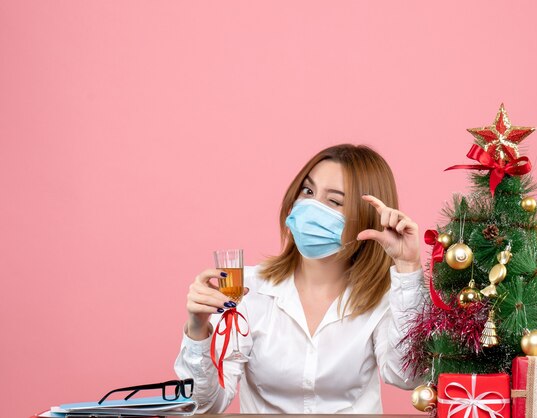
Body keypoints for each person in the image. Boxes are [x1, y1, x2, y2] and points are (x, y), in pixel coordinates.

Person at [174, 144, 427, 413]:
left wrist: (407, 265)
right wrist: (198, 329)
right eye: (308, 191)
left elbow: (408, 376)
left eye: (334, 201)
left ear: (366, 218)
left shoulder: (388, 295)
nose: (310, 207)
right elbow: (205, 405)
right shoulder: (247, 289)